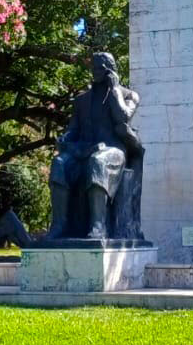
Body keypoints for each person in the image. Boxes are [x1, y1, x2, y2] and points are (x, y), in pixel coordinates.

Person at [47, 52, 142, 239]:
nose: (97, 72)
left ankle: (99, 225)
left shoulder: (129, 95)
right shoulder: (82, 100)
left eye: (102, 69)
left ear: (112, 71)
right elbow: (73, 129)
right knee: (59, 164)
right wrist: (65, 138)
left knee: (97, 162)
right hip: (83, 149)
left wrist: (114, 89)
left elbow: (124, 117)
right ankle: (59, 225)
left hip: (114, 150)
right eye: (94, 68)